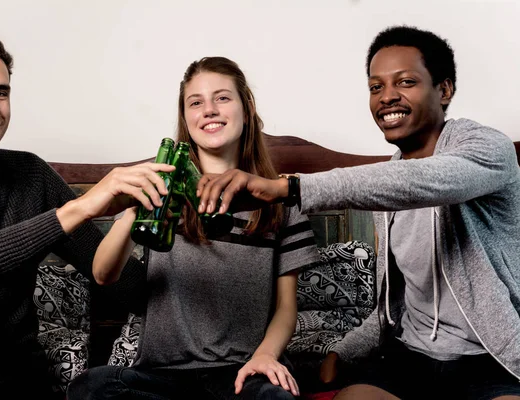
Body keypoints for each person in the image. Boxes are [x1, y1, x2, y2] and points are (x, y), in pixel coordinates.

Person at [195, 26, 520, 399]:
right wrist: (341, 351)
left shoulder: (486, 149)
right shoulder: (388, 181)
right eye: (375, 87)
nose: (387, 97)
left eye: (406, 82)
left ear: (444, 90)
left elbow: (424, 181)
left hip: (490, 362)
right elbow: (396, 305)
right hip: (408, 359)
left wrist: (290, 187)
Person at [0, 32, 174, 400]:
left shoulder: (31, 175)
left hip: (25, 384)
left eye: (1, 92)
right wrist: (81, 205)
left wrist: (142, 213)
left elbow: (128, 288)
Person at [67, 56, 322, 400]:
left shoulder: (279, 199)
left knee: (277, 397)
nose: (209, 110)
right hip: (160, 376)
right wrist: (136, 209)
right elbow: (103, 274)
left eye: (222, 98)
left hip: (242, 374)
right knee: (90, 388)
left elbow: (286, 307)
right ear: (186, 118)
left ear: (246, 109)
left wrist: (265, 356)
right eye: (196, 102)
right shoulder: (160, 188)